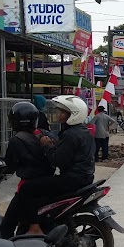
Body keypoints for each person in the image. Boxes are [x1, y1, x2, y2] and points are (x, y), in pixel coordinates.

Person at [17, 95, 96, 235]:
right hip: (85, 177)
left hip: (71, 179)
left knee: (26, 189)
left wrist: (46, 145)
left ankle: (34, 228)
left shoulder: (70, 134)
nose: (59, 114)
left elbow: (57, 161)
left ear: (73, 115)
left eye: (63, 112)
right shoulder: (84, 131)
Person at [0, 102, 56, 239]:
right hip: (47, 184)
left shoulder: (17, 140)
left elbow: (9, 166)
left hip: (29, 187)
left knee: (7, 225)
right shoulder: (45, 135)